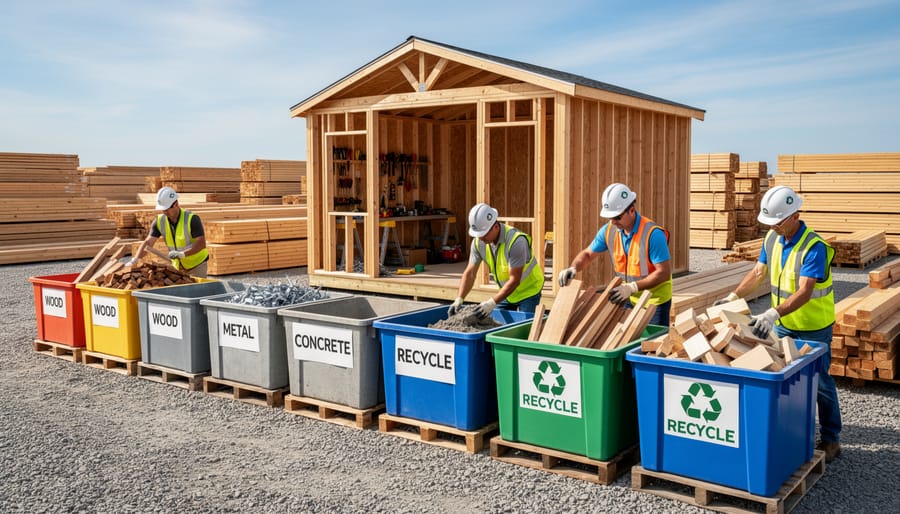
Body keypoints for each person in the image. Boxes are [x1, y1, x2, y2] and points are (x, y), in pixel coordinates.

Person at [713, 185, 841, 462]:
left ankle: (831, 438)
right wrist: (733, 295)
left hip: (814, 327)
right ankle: (793, 431)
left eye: (778, 222)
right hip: (784, 325)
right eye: (770, 222)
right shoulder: (773, 239)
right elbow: (758, 272)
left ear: (795, 215)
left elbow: (805, 291)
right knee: (785, 378)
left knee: (820, 383)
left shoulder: (815, 247)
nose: (773, 227)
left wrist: (772, 314)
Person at [558, 183, 672, 327]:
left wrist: (632, 287)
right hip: (627, 296)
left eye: (617, 217)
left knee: (652, 345)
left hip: (654, 301)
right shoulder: (609, 231)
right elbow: (587, 254)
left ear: (632, 210)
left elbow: (663, 273)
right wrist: (573, 268)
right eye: (610, 217)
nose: (613, 222)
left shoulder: (653, 234)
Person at [447, 203, 544, 319]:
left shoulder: (516, 241)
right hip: (507, 294)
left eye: (484, 234)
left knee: (526, 329)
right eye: (478, 235)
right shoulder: (479, 243)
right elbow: (470, 273)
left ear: (496, 227)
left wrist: (492, 303)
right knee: (498, 324)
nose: (481, 238)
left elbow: (515, 280)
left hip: (529, 291)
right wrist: (460, 298)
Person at [129, 187, 209, 277]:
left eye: (167, 209)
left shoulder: (191, 219)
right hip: (177, 265)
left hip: (196, 265)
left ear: (176, 204)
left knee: (198, 290)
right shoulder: (160, 221)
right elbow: (148, 242)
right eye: (162, 209)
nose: (164, 212)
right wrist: (135, 259)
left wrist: (182, 254)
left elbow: (201, 244)